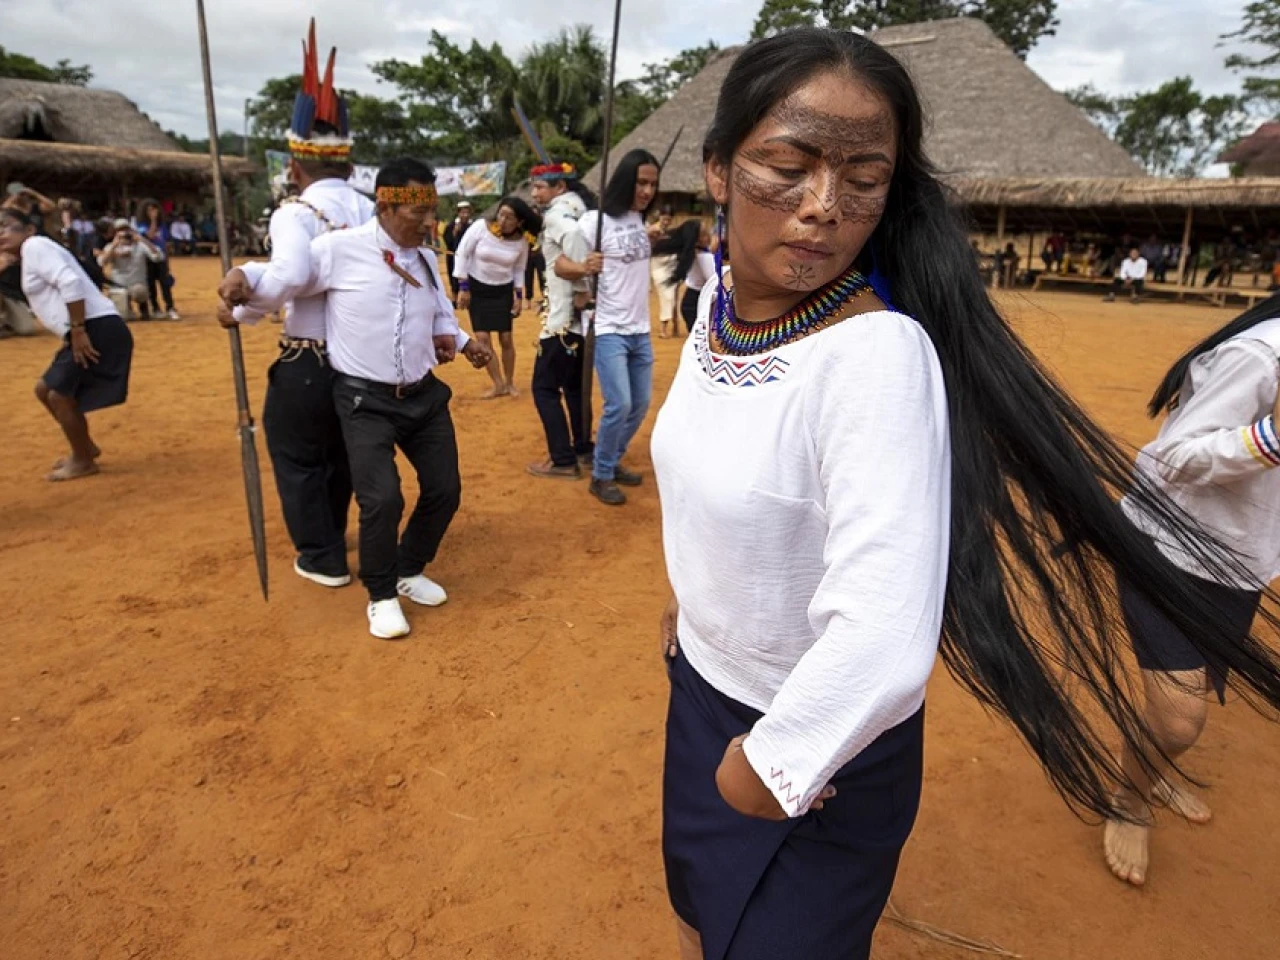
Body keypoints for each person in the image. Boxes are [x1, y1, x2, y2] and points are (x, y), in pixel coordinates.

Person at [648, 29, 1280, 960]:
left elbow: (882, 640)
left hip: (811, 743)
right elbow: (713, 474)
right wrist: (695, 598)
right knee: (700, 913)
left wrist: (774, 763)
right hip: (702, 694)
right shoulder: (721, 316)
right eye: (788, 167)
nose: (823, 205)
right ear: (717, 168)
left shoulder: (875, 357)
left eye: (864, 179)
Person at [230, 157, 491, 639]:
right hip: (364, 401)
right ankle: (381, 595)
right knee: (382, 499)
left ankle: (409, 568)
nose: (429, 223)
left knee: (445, 489)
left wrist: (463, 340)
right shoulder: (338, 250)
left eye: (432, 211)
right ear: (387, 207)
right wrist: (241, 278)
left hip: (423, 397)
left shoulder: (427, 258)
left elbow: (438, 311)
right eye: (419, 213)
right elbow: (283, 278)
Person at [1104, 294, 1280, 886]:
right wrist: (1271, 437)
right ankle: (1130, 797)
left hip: (1240, 561)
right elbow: (1172, 456)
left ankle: (1152, 769)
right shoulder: (1262, 357)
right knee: (1180, 721)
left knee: (1187, 695)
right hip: (1171, 548)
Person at [216, 22, 376, 590]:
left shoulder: (294, 212)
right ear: (350, 167)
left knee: (301, 456)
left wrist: (244, 305)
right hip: (362, 363)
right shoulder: (373, 213)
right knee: (341, 455)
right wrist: (251, 277)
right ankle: (331, 537)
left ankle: (322, 557)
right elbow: (306, 272)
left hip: (309, 359)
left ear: (294, 166)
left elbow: (293, 273)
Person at [0, 207, 133, 481]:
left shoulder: (35, 246)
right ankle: (85, 447)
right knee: (44, 389)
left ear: (30, 229)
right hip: (86, 327)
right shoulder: (29, 255)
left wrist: (79, 330)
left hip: (94, 327)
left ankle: (83, 460)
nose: (1, 233)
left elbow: (70, 283)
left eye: (7, 226)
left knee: (59, 395)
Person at [569, 148, 660, 506]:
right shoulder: (594, 222)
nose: (648, 191)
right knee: (619, 404)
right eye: (641, 183)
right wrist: (583, 266)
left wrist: (649, 237)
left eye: (652, 184)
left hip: (640, 328)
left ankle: (610, 458)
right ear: (625, 180)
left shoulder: (639, 220)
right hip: (608, 327)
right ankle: (601, 474)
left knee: (640, 404)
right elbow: (561, 264)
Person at [526, 161, 600, 480]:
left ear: (560, 187)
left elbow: (573, 239)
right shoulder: (582, 211)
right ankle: (583, 448)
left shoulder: (559, 215)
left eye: (540, 187)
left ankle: (563, 459)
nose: (534, 193)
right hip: (579, 321)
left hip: (562, 320)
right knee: (574, 388)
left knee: (543, 388)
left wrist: (582, 287)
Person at [453, 196, 541, 398]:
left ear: (519, 221)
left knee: (506, 338)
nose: (503, 220)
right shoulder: (480, 228)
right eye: (501, 214)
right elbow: (462, 253)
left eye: (509, 217)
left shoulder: (521, 242)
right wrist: (463, 287)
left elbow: (519, 269)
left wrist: (518, 296)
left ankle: (509, 383)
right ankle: (498, 384)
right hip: (478, 289)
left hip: (503, 291)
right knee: (483, 338)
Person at [653, 219, 715, 337]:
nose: (709, 236)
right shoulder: (704, 257)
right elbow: (713, 281)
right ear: (698, 239)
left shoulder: (690, 254)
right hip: (700, 299)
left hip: (691, 300)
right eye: (705, 233)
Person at [97, 219, 164, 319]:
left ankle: (143, 306)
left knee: (140, 292)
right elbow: (101, 262)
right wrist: (114, 246)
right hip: (119, 286)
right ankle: (128, 308)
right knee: (124, 317)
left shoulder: (140, 245)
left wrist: (143, 240)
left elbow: (158, 257)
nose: (124, 233)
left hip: (137, 284)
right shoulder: (111, 246)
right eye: (120, 230)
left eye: (126, 230)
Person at [134, 199, 180, 319]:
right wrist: (153, 220)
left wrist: (167, 257)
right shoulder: (141, 225)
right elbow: (150, 235)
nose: (153, 212)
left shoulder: (162, 225)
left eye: (155, 209)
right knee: (151, 284)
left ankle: (170, 307)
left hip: (161, 257)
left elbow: (165, 241)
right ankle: (155, 308)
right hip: (148, 258)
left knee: (165, 283)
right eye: (149, 210)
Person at [650, 205, 679, 338]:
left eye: (669, 219)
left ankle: (675, 324)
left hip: (672, 264)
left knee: (673, 296)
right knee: (666, 296)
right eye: (664, 219)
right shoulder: (653, 230)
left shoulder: (673, 232)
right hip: (657, 265)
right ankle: (663, 328)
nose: (666, 222)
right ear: (660, 217)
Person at [442, 200, 473, 306]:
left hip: (469, 257)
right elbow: (448, 241)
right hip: (454, 257)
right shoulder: (451, 226)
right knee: (454, 278)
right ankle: (455, 299)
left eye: (467, 212)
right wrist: (454, 232)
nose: (465, 215)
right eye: (463, 212)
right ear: (458, 213)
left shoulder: (473, 227)